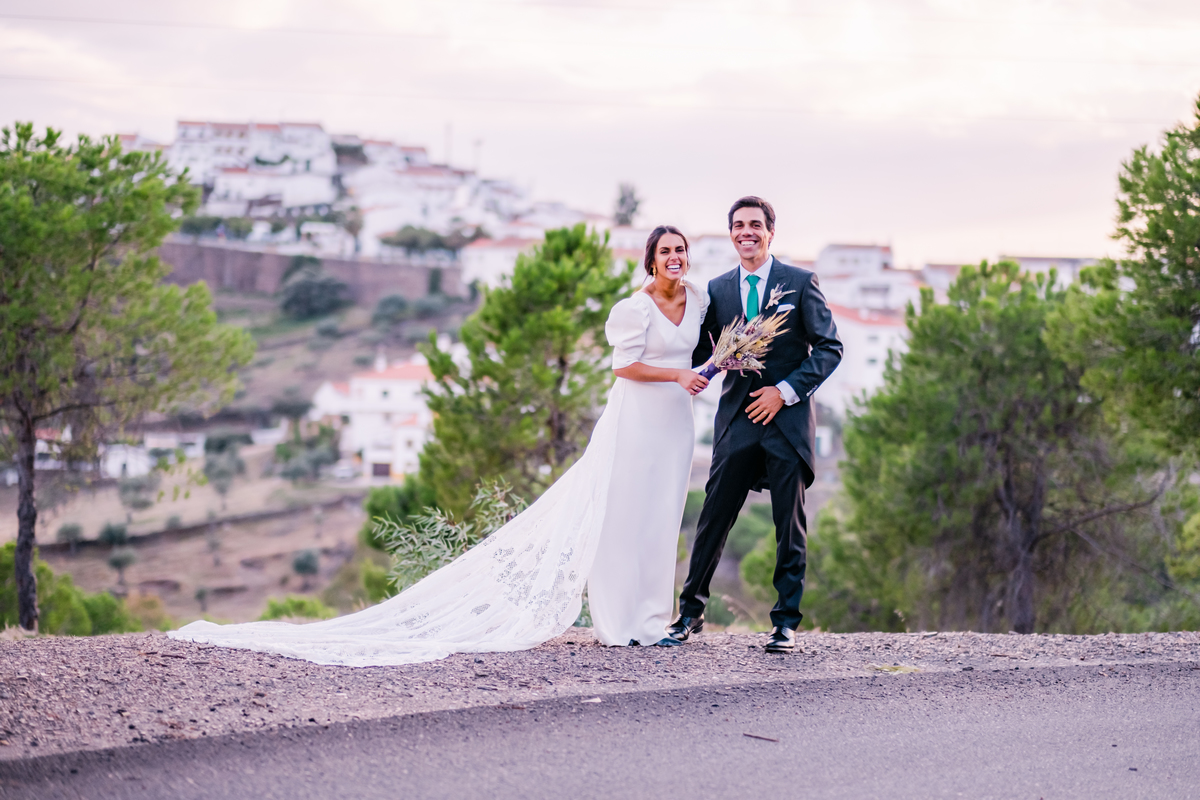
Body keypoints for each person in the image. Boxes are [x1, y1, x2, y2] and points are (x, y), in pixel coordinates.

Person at [169, 225, 708, 666]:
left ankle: (654, 621)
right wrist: (678, 377)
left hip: (676, 425)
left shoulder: (699, 298)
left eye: (681, 250)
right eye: (666, 251)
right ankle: (620, 626)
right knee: (619, 519)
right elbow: (623, 367)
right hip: (635, 419)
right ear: (650, 260)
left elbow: (713, 343)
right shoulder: (632, 309)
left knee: (661, 517)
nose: (675, 258)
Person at [668, 196, 842, 653]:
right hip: (736, 422)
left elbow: (829, 348)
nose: (747, 232)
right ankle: (690, 614)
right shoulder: (717, 289)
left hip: (786, 421)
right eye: (738, 225)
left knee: (790, 524)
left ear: (770, 232)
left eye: (755, 225)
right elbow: (700, 354)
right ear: (731, 235)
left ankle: (785, 623)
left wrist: (782, 391)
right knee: (713, 519)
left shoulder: (801, 283)